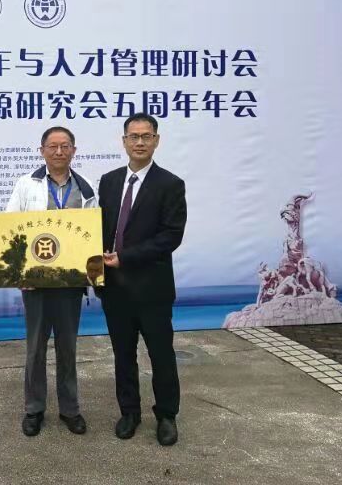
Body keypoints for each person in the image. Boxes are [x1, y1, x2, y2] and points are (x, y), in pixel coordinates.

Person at [97, 113, 187, 446]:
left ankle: (166, 415)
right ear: (124, 141)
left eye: (146, 136)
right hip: (115, 289)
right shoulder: (108, 181)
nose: (139, 142)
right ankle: (129, 413)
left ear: (156, 141)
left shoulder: (170, 184)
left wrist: (126, 257)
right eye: (133, 136)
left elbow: (171, 236)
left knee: (161, 355)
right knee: (123, 356)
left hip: (153, 289)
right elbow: (100, 229)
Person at [5, 126, 98, 437]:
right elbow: (11, 229)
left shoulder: (87, 189)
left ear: (74, 151)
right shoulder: (26, 185)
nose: (59, 151)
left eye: (65, 146)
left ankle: (70, 409)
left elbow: (92, 236)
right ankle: (34, 409)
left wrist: (92, 275)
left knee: (68, 348)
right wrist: (19, 272)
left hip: (70, 284)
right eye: (53, 146)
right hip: (36, 283)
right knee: (35, 349)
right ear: (42, 150)